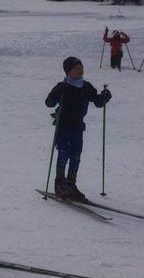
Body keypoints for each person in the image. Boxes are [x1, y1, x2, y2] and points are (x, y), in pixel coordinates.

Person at [45, 57, 111, 201]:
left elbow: (98, 102)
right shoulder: (63, 86)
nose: (80, 70)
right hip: (63, 126)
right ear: (68, 72)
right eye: (76, 68)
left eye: (81, 67)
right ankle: (60, 184)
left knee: (75, 155)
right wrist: (57, 92)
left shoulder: (86, 86)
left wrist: (105, 96)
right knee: (63, 153)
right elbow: (49, 103)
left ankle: (71, 184)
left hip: (77, 127)